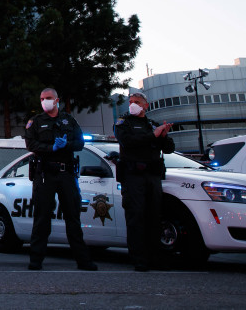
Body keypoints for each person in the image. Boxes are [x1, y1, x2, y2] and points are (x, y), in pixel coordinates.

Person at [24, 87, 97, 271]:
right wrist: (51, 149)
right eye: (42, 98)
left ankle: (83, 260)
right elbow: (30, 144)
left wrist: (67, 145)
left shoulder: (69, 120)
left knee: (72, 217)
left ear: (57, 100)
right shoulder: (36, 121)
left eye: (48, 98)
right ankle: (36, 260)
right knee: (41, 219)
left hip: (66, 173)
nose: (44, 101)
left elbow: (80, 143)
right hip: (45, 174)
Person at [114, 92, 175, 272]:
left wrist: (162, 135)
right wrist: (153, 136)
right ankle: (139, 259)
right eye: (131, 102)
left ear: (145, 105)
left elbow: (170, 148)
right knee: (136, 217)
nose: (132, 105)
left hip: (152, 177)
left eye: (137, 102)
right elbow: (127, 142)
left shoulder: (152, 125)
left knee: (154, 217)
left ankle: (155, 257)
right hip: (133, 177)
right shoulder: (123, 123)